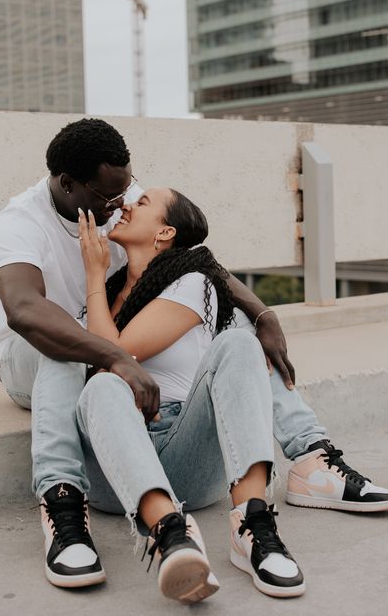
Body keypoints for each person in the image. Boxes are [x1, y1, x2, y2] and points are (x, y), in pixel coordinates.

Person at [0, 118, 388, 595]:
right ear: (68, 184)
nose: (121, 207)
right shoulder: (22, 220)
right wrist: (117, 357)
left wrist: (261, 311)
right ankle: (63, 505)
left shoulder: (118, 195)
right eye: (109, 199)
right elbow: (25, 310)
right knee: (60, 340)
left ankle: (306, 459)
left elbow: (198, 261)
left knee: (237, 329)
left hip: (133, 391)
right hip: (32, 357)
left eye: (129, 197)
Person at [76, 188, 305, 601]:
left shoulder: (190, 283)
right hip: (115, 472)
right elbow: (104, 365)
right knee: (104, 385)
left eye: (142, 203)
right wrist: (96, 277)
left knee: (237, 343)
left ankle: (254, 525)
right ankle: (170, 535)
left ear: (165, 232)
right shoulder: (105, 293)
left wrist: (93, 275)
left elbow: (118, 351)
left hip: (185, 452)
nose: (127, 204)